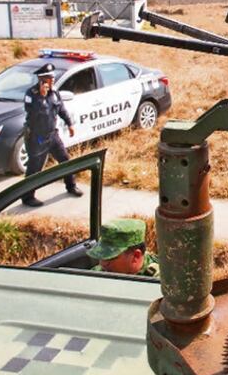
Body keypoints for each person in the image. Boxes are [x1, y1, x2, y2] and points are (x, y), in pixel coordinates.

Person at [20, 62, 80, 207]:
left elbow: (61, 110)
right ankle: (27, 197)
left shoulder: (54, 93)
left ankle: (71, 186)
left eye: (53, 77)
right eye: (50, 78)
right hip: (37, 138)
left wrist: (69, 123)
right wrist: (41, 97)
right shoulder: (31, 95)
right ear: (42, 80)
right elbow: (33, 114)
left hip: (52, 135)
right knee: (35, 168)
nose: (53, 80)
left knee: (65, 160)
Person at [85, 218, 160, 277]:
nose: (103, 263)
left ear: (136, 256)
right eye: (102, 256)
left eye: (110, 258)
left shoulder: (158, 282)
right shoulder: (99, 272)